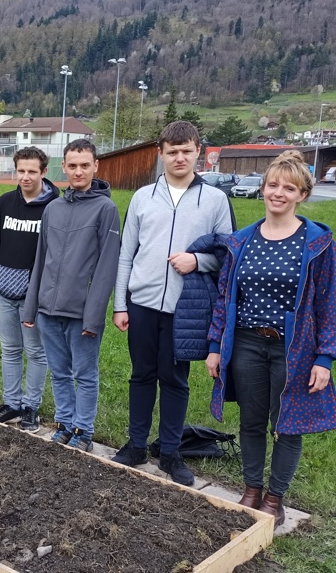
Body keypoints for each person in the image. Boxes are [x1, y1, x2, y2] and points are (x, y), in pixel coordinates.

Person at [206, 150, 336, 526]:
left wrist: (324, 357)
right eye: (272, 185)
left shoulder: (317, 243)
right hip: (247, 344)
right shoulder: (242, 241)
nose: (278, 193)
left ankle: (274, 497)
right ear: (263, 188)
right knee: (250, 421)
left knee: (287, 425)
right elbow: (225, 298)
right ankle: (251, 488)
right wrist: (216, 347)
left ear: (302, 194)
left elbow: (327, 305)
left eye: (289, 187)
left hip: (292, 348)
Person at [110, 121, 236, 486]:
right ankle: (136, 445)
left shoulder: (214, 200)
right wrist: (121, 303)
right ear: (160, 154)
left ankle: (169, 452)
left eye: (186, 151)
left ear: (199, 151)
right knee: (142, 374)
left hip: (187, 308)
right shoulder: (142, 198)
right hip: (143, 303)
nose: (179, 158)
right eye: (172, 151)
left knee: (175, 379)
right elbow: (125, 255)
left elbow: (228, 255)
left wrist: (197, 261)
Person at [21, 139, 119, 453]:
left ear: (95, 167)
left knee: (84, 374)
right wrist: (31, 307)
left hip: (82, 313)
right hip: (49, 309)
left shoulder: (106, 209)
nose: (78, 171)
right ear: (64, 167)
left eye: (84, 165)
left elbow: (106, 268)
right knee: (60, 371)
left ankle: (83, 430)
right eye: (72, 165)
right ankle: (64, 424)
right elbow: (41, 258)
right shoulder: (53, 208)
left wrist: (93, 316)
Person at [0, 147, 59, 432]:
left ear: (44, 172)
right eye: (21, 171)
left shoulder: (54, 206)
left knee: (36, 351)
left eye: (32, 171)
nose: (26, 177)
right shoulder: (4, 202)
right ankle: (11, 403)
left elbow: (56, 254)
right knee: (10, 349)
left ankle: (31, 407)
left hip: (35, 293)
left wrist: (39, 287)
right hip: (4, 291)